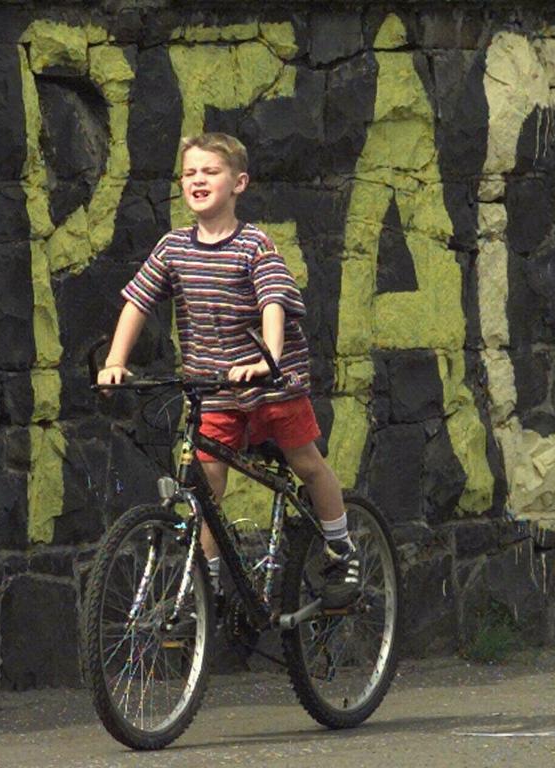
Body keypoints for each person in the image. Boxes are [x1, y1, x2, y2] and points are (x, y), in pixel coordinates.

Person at [97, 132, 359, 609]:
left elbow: (273, 301)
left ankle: (341, 549)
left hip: (271, 387)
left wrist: (268, 361)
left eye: (210, 171)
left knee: (305, 462)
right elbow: (137, 301)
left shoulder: (254, 244)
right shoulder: (174, 247)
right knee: (205, 483)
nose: (198, 180)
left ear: (238, 183)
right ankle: (205, 585)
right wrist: (116, 361)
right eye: (189, 173)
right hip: (211, 387)